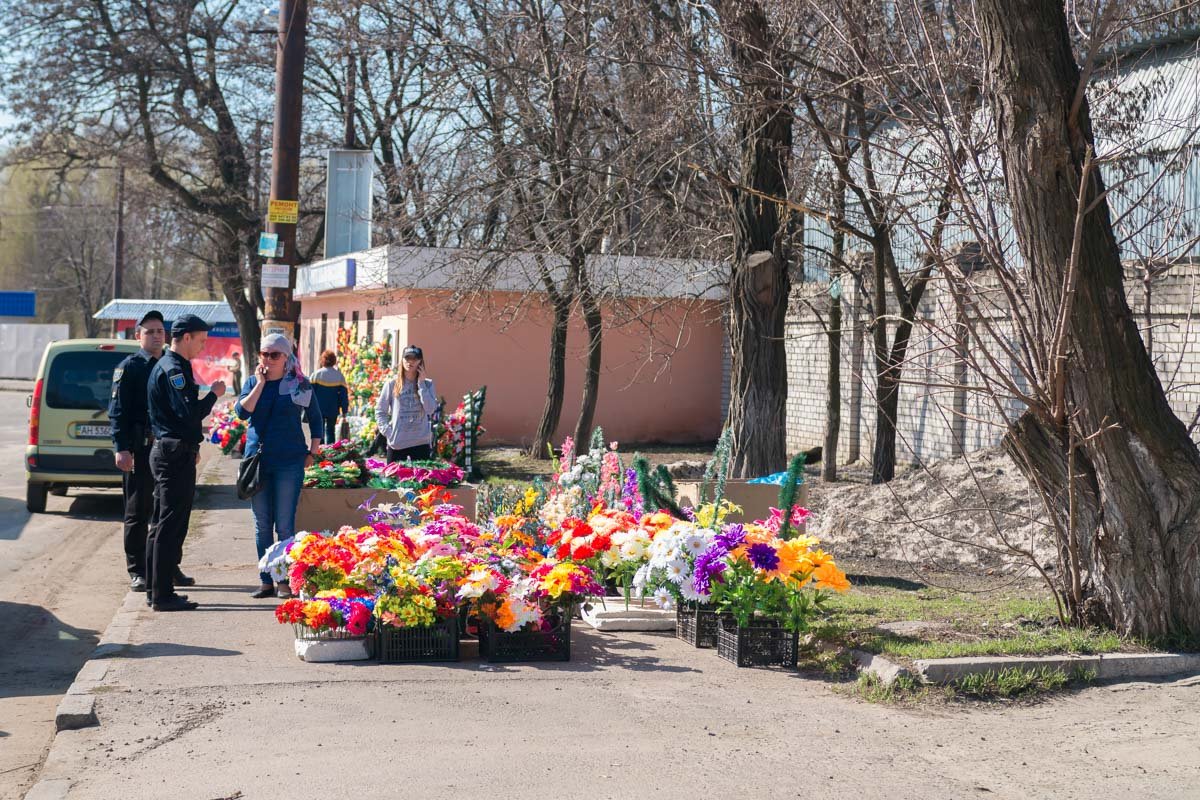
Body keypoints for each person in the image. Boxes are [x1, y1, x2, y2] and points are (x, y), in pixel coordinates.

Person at [145, 314, 226, 611]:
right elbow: (189, 413)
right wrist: (213, 396)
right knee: (169, 524)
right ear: (186, 337)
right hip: (172, 453)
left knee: (162, 523)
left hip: (172, 450)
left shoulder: (170, 366)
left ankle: (156, 589)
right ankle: (162, 594)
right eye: (201, 340)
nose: (203, 347)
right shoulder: (174, 369)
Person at [236, 334, 322, 599]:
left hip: (289, 462)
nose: (268, 359)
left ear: (286, 358)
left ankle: (283, 580)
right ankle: (265, 581)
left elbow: (316, 420)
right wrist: (260, 384)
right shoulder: (252, 382)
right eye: (264, 354)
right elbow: (242, 412)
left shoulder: (299, 384)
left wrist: (313, 451)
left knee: (284, 526)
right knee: (262, 525)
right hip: (258, 462)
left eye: (275, 355)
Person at [108, 310, 167, 592]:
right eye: (150, 332)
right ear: (138, 336)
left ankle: (166, 566)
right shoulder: (129, 367)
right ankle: (138, 570)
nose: (156, 336)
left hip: (167, 450)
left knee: (166, 510)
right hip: (139, 450)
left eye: (159, 331)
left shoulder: (170, 365)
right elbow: (117, 412)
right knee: (137, 511)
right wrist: (122, 448)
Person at [376, 345, 437, 463]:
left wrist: (421, 384)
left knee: (422, 481)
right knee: (393, 480)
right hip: (398, 443)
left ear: (420, 361)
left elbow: (430, 410)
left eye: (414, 358)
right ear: (402, 360)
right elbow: (380, 411)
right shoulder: (391, 384)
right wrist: (389, 432)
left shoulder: (428, 384)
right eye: (407, 358)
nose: (410, 362)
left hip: (420, 442)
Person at [310, 349, 349, 445]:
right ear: (334, 361)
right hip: (333, 409)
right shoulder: (339, 376)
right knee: (330, 431)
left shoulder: (316, 375)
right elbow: (343, 395)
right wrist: (344, 410)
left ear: (322, 360)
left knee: (319, 431)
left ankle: (319, 452)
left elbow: (310, 393)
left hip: (318, 408)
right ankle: (330, 453)